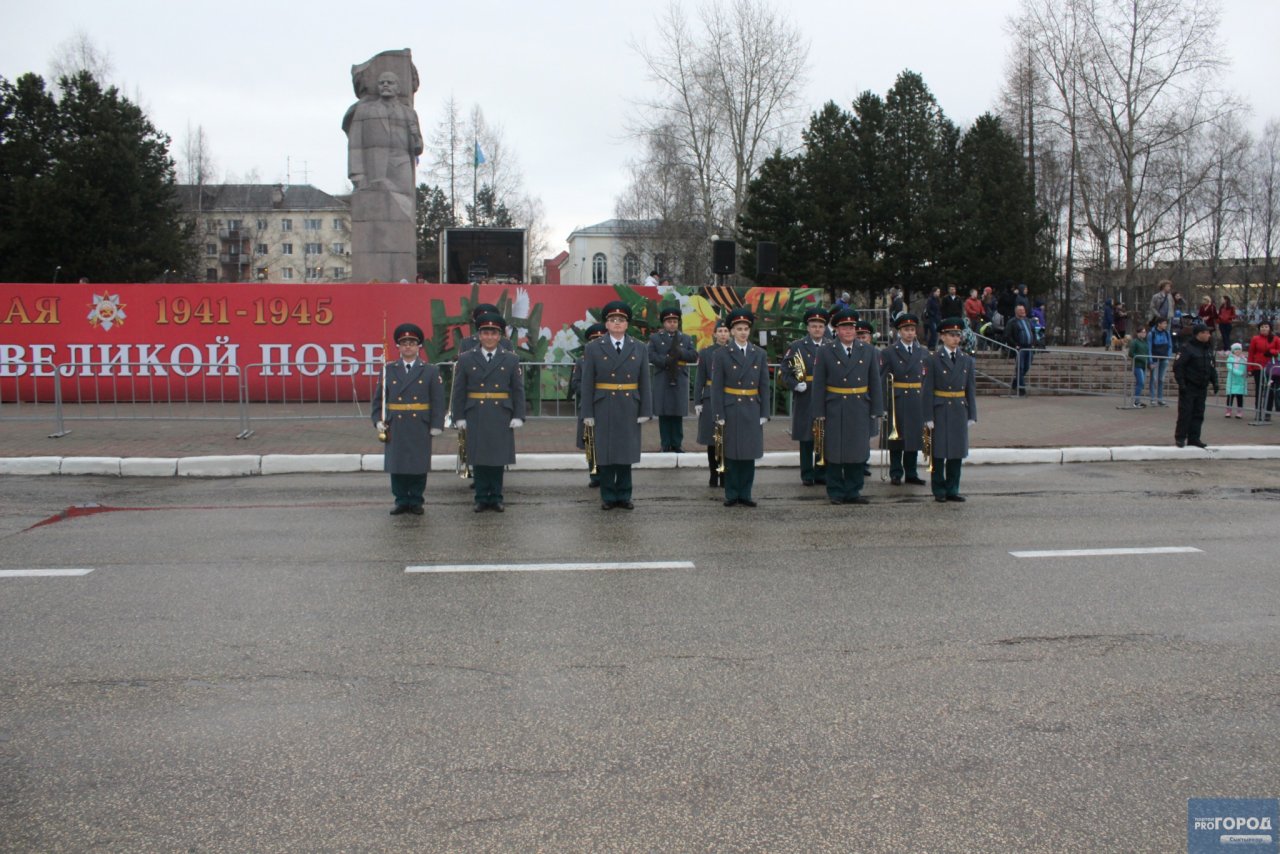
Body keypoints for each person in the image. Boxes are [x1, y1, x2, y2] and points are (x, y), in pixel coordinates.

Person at [450, 312, 526, 512]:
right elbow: (459, 391)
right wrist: (458, 417)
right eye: (485, 333)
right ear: (479, 335)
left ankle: (497, 497)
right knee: (479, 457)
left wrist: (518, 415)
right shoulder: (466, 358)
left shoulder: (510, 359)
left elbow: (517, 389)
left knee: (498, 458)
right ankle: (482, 497)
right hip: (475, 412)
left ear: (500, 336)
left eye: (494, 333)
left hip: (501, 413)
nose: (490, 337)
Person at [581, 300, 653, 510]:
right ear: (606, 324)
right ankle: (608, 496)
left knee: (625, 453)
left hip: (629, 404)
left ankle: (624, 495)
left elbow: (644, 381)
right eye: (613, 320)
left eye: (621, 320)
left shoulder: (638, 347)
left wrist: (645, 410)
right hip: (603, 405)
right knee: (605, 453)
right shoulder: (594, 347)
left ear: (627, 324)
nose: (617, 324)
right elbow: (587, 383)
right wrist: (587, 412)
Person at [811, 309, 884, 506]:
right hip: (835, 406)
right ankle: (835, 491)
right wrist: (819, 412)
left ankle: (853, 491)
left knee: (857, 451)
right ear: (836, 330)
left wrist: (877, 408)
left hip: (860, 405)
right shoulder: (826, 350)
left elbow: (874, 381)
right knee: (834, 451)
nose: (849, 331)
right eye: (844, 327)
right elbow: (818, 384)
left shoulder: (868, 350)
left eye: (852, 327)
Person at [372, 322, 445, 515]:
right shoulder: (388, 370)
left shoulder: (430, 370)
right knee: (397, 464)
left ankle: (416, 500)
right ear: (398, 346)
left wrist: (437, 424)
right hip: (396, 423)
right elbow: (379, 398)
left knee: (418, 463)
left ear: (419, 346)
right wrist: (378, 419)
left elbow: (437, 400)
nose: (408, 346)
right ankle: (401, 499)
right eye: (404, 343)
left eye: (412, 343)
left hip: (419, 422)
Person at [711, 307, 771, 507]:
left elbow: (764, 385)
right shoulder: (722, 354)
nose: (743, 332)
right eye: (739, 328)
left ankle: (746, 493)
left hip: (752, 408)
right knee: (731, 453)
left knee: (748, 454)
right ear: (732, 331)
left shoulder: (759, 353)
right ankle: (731, 493)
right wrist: (718, 412)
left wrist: (765, 412)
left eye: (746, 328)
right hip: (731, 407)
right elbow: (717, 386)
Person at [922, 318, 977, 503]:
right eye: (951, 335)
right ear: (942, 337)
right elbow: (927, 389)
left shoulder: (966, 360)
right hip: (940, 408)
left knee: (956, 453)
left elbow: (970, 388)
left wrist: (972, 414)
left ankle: (953, 489)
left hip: (959, 410)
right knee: (938, 453)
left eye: (957, 335)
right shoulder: (933, 359)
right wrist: (928, 416)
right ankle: (939, 489)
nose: (955, 339)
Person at [343, 71, 423, 197]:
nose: (385, 85)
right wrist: (356, 174)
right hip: (376, 167)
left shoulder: (409, 113)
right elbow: (355, 143)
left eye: (390, 83)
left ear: (398, 88)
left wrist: (416, 139)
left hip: (402, 165)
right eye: (381, 83)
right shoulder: (365, 111)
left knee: (403, 205)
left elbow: (418, 148)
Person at [779, 307, 830, 486]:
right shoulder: (797, 347)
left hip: (826, 395)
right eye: (813, 326)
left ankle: (822, 471)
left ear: (825, 328)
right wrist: (795, 385)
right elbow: (784, 371)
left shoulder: (831, 345)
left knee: (823, 434)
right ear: (807, 328)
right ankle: (807, 473)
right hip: (806, 394)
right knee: (807, 436)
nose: (817, 329)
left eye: (820, 326)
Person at [880, 313, 928, 487]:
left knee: (914, 438)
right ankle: (895, 472)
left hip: (917, 399)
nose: (910, 333)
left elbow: (926, 379)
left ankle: (911, 473)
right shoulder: (889, 352)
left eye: (912, 330)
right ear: (899, 332)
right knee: (896, 439)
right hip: (897, 398)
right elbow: (883, 379)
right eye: (906, 330)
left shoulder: (922, 351)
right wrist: (883, 405)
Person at [647, 304, 698, 452]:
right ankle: (665, 443)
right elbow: (650, 355)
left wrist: (680, 352)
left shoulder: (685, 338)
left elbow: (694, 356)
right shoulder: (655, 338)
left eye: (675, 321)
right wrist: (665, 360)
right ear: (664, 323)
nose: (672, 324)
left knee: (677, 413)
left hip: (679, 378)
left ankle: (677, 443)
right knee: (664, 414)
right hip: (663, 377)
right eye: (669, 321)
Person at [570, 322, 607, 487]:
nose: (597, 341)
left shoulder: (610, 359)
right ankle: (595, 476)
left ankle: (607, 474)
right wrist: (588, 392)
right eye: (593, 339)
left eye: (600, 338)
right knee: (590, 442)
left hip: (606, 404)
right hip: (588, 405)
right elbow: (575, 383)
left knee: (606, 441)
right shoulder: (581, 361)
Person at [1172, 322, 1219, 449]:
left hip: (1202, 387)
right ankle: (1180, 437)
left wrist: (1215, 381)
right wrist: (1181, 383)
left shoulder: (1208, 348)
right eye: (1206, 332)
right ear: (1199, 334)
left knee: (1198, 413)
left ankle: (1194, 438)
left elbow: (1211, 366)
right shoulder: (1187, 347)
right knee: (1185, 413)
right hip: (1189, 386)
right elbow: (1178, 366)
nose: (1209, 335)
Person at [695, 319, 730, 486]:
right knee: (712, 439)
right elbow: (700, 379)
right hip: (709, 398)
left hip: (728, 397)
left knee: (725, 439)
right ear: (714, 334)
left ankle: (723, 474)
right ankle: (712, 474)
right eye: (720, 331)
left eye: (726, 331)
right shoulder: (706, 353)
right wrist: (697, 401)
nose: (723, 334)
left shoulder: (733, 351)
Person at [1247, 320, 1280, 418]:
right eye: (1262, 327)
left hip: (1271, 368)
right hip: (1258, 367)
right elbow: (1251, 353)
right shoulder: (1255, 339)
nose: (1264, 329)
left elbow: (1279, 350)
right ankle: (1258, 412)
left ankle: (1267, 413)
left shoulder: (1276, 339)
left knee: (1269, 390)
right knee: (1259, 390)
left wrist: (1272, 351)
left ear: (1270, 328)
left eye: (1266, 327)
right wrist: (1250, 368)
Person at [1006, 304, 1037, 396]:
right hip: (1020, 348)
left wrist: (1034, 342)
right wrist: (1015, 345)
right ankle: (1022, 389)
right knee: (1020, 367)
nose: (1023, 312)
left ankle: (1016, 382)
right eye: (1020, 310)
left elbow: (1033, 332)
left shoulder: (1028, 320)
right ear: (1016, 312)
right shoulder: (1012, 322)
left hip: (1029, 347)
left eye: (1023, 310)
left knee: (1027, 366)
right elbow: (1007, 335)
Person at [1148, 317, 1174, 406]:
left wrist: (1169, 355)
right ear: (1159, 324)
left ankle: (1160, 398)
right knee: (1153, 379)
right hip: (1155, 359)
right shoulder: (1152, 333)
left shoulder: (1166, 333)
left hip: (1164, 358)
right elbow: (1149, 348)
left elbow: (1170, 345)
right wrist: (1150, 361)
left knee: (1161, 379)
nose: (1165, 325)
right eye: (1164, 323)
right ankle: (1152, 398)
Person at [1128, 324, 1151, 407]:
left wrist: (1148, 362)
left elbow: (1147, 352)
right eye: (1142, 332)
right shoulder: (1135, 342)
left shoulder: (1145, 342)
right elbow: (1131, 353)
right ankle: (1136, 401)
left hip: (1144, 365)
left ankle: (1137, 400)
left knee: (1141, 383)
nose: (1144, 334)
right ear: (1138, 333)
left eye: (1145, 332)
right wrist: (1139, 357)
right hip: (1137, 365)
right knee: (1140, 382)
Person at [1225, 342, 1247, 419]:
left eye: (1239, 349)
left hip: (1240, 380)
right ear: (1233, 351)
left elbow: (1245, 368)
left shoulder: (1243, 359)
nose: (1237, 351)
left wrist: (1246, 373)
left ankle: (1239, 412)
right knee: (1230, 396)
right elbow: (1229, 367)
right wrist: (1239, 373)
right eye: (1236, 349)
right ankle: (1228, 411)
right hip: (1232, 380)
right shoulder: (1230, 358)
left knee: (1239, 397)